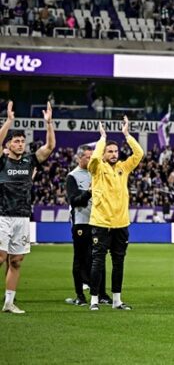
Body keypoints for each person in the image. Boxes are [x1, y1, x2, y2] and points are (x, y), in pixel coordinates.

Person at [0, 101, 55, 314]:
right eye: (16, 141)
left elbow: (49, 148)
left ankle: (9, 303)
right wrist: (9, 121)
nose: (20, 144)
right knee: (1, 257)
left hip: (23, 217)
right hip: (2, 215)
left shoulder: (30, 162)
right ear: (9, 144)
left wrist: (49, 124)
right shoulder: (3, 162)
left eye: (22, 141)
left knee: (16, 261)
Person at [88, 115, 144, 312]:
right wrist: (102, 139)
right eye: (109, 152)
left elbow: (139, 154)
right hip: (101, 222)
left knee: (118, 262)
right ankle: (94, 300)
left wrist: (127, 135)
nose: (113, 154)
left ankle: (117, 301)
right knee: (98, 261)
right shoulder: (97, 168)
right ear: (103, 154)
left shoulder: (123, 167)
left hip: (121, 223)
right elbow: (94, 157)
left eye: (115, 151)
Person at [66, 144, 109, 306]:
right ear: (79, 158)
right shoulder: (73, 176)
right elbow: (74, 201)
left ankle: (102, 294)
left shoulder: (98, 172)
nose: (91, 160)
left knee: (99, 258)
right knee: (80, 259)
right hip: (82, 223)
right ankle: (80, 296)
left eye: (93, 157)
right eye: (87, 157)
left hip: (100, 222)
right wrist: (89, 192)